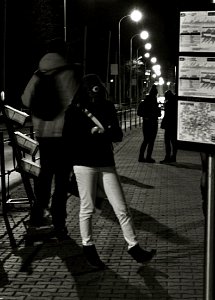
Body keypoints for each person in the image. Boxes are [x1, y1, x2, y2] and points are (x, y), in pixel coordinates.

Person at [63, 73, 156, 269]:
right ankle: (88, 247)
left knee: (121, 207)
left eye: (98, 89)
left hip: (106, 162)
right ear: (86, 90)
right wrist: (91, 136)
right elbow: (69, 140)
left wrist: (104, 132)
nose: (95, 93)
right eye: (92, 89)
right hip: (83, 164)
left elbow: (118, 135)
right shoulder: (74, 110)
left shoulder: (107, 106)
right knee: (87, 208)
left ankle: (134, 246)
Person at [21, 38, 80, 239]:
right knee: (62, 180)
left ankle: (37, 214)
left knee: (45, 175)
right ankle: (58, 221)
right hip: (63, 135)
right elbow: (73, 102)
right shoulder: (68, 73)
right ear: (63, 53)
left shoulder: (37, 74)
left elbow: (25, 99)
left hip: (42, 134)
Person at [137, 84, 161, 163]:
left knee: (146, 140)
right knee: (151, 141)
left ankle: (141, 157)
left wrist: (145, 116)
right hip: (153, 123)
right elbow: (158, 114)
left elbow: (139, 112)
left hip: (146, 123)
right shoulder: (154, 102)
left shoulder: (145, 101)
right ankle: (148, 157)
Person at [160, 90, 178, 163]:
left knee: (167, 142)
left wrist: (163, 124)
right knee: (174, 143)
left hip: (168, 125)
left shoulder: (168, 104)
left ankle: (167, 157)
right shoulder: (176, 103)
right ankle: (173, 157)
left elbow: (166, 115)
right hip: (175, 125)